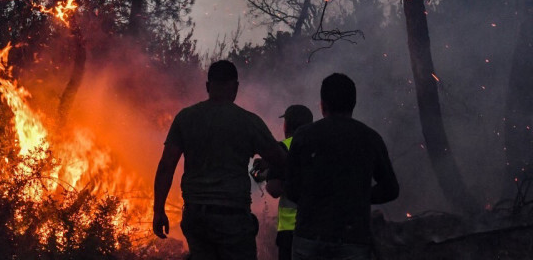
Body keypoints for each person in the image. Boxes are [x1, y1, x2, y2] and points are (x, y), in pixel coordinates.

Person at [153, 60, 287, 260]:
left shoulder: (186, 118)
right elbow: (279, 159)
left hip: (196, 217)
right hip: (232, 218)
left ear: (208, 86)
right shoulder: (248, 122)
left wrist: (158, 211)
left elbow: (166, 166)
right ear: (236, 87)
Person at [285, 73, 399, 260]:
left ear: (323, 104)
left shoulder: (303, 136)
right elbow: (391, 189)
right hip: (352, 239)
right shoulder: (370, 138)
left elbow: (291, 188)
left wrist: (316, 199)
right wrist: (357, 196)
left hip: (309, 236)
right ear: (353, 103)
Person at [252, 105, 313, 260]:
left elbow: (274, 189)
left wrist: (268, 174)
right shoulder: (320, 147)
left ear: (287, 124)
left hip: (291, 230)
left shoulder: (283, 147)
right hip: (319, 228)